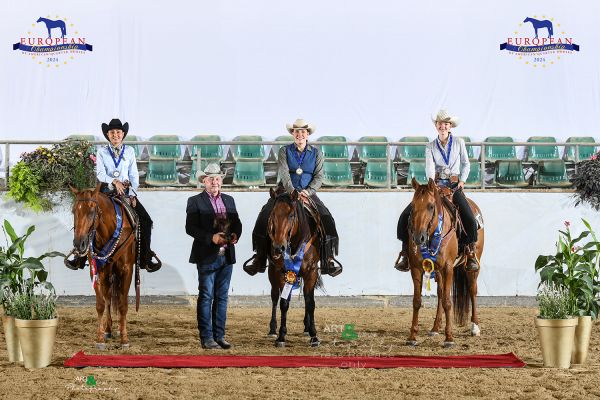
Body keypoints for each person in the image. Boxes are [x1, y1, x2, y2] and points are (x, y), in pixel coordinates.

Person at [243, 118, 342, 277]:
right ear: (293, 134)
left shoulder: (317, 153)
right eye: (297, 131)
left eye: (303, 131)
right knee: (264, 215)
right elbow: (283, 173)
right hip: (285, 191)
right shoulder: (284, 151)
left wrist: (307, 192)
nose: (300, 134)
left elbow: (319, 177)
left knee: (326, 217)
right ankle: (259, 257)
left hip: (307, 192)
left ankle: (327, 259)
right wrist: (292, 192)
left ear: (307, 134)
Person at [65, 118, 161, 272]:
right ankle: (80, 256)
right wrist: (114, 181)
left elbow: (134, 175)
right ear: (108, 135)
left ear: (123, 134)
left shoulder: (129, 151)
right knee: (88, 216)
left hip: (126, 192)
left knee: (146, 221)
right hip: (106, 191)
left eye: (118, 132)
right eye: (112, 132)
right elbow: (101, 174)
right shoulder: (102, 151)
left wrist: (132, 194)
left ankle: (145, 258)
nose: (115, 135)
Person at [394, 109, 479, 272]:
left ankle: (470, 251)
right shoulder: (430, 146)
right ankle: (405, 252)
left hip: (454, 186)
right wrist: (433, 184)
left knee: (468, 215)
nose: (443, 126)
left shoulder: (459, 142)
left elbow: (466, 164)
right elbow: (429, 167)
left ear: (450, 126)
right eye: (440, 123)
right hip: (435, 186)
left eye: (446, 124)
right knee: (406, 215)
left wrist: (462, 181)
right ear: (436, 126)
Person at [186, 163, 242, 350]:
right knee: (207, 296)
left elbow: (237, 223)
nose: (215, 182)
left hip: (226, 255)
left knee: (222, 297)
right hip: (207, 254)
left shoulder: (229, 200)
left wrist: (235, 235)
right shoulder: (195, 201)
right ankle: (207, 337)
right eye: (211, 179)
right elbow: (190, 228)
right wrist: (211, 237)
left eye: (217, 178)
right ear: (204, 181)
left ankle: (220, 335)